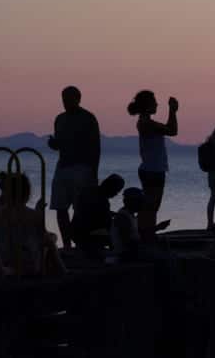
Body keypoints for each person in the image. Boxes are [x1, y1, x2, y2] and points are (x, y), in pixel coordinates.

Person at [47, 86, 101, 249]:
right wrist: (53, 144)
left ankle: (81, 243)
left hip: (82, 168)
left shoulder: (88, 118)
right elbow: (59, 144)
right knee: (60, 207)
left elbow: (95, 147)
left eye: (69, 98)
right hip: (63, 166)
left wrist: (93, 172)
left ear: (78, 99)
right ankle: (67, 244)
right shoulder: (59, 119)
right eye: (63, 98)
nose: (65, 102)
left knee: (80, 209)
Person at [0, 172, 65, 276]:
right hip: (28, 264)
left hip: (2, 258)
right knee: (51, 239)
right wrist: (39, 212)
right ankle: (62, 269)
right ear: (27, 194)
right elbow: (44, 237)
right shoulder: (33, 215)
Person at [128, 90, 178, 240]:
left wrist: (172, 111)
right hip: (153, 170)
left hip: (151, 169)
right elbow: (173, 131)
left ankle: (146, 234)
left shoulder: (147, 122)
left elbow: (170, 129)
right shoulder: (146, 123)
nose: (156, 104)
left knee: (150, 207)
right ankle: (146, 236)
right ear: (147, 105)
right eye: (154, 102)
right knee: (151, 207)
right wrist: (173, 110)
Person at [71, 174, 125, 257]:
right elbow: (106, 221)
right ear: (111, 187)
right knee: (117, 229)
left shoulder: (91, 191)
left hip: (75, 231)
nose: (116, 194)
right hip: (87, 234)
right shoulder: (103, 201)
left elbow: (94, 212)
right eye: (117, 191)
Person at [110, 187, 144, 262]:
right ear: (131, 202)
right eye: (140, 201)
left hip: (130, 253)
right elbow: (128, 242)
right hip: (126, 255)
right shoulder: (123, 217)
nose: (142, 204)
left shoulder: (130, 215)